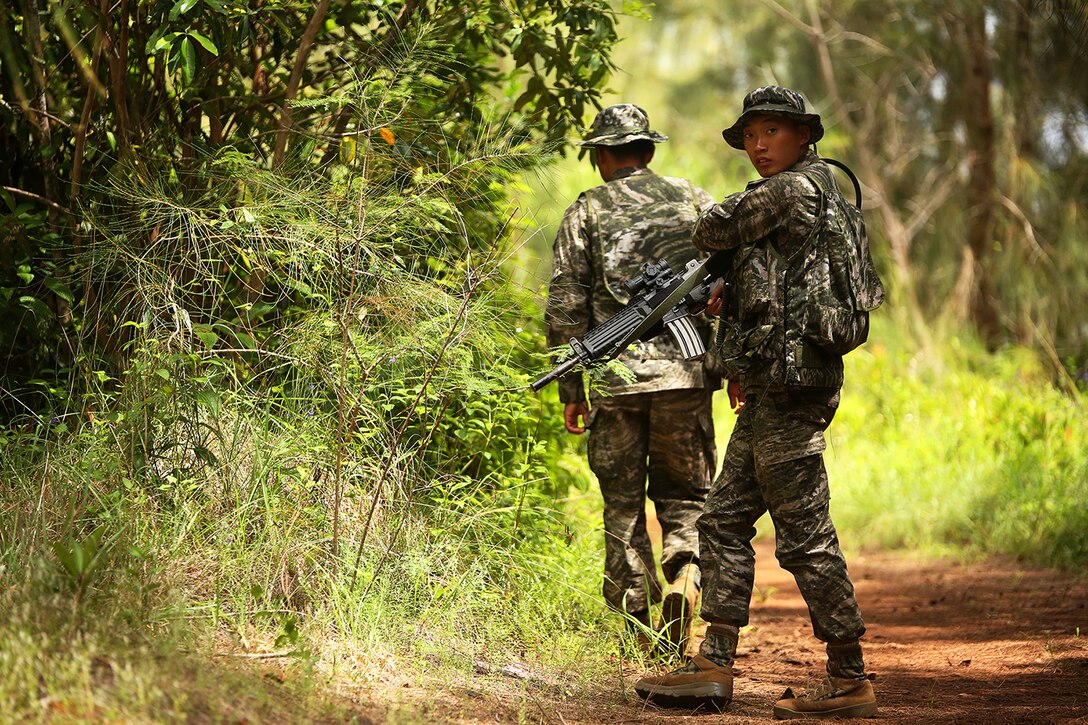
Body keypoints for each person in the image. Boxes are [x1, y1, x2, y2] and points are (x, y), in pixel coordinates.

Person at [633, 86, 878, 718]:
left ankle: (851, 679)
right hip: (774, 384)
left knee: (804, 534)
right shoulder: (815, 199)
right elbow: (773, 278)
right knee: (721, 521)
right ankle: (714, 665)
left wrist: (726, 238)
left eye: (771, 132)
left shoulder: (796, 189)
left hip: (793, 389)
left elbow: (712, 226)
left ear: (804, 136)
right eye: (749, 135)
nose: (758, 145)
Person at [545, 104, 719, 656]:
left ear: (600, 156)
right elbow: (735, 278)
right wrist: (731, 365)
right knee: (687, 498)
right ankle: (687, 576)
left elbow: (566, 302)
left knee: (622, 504)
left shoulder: (586, 211)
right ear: (647, 150)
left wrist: (570, 389)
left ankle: (640, 627)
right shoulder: (695, 200)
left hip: (616, 384)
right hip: (686, 378)